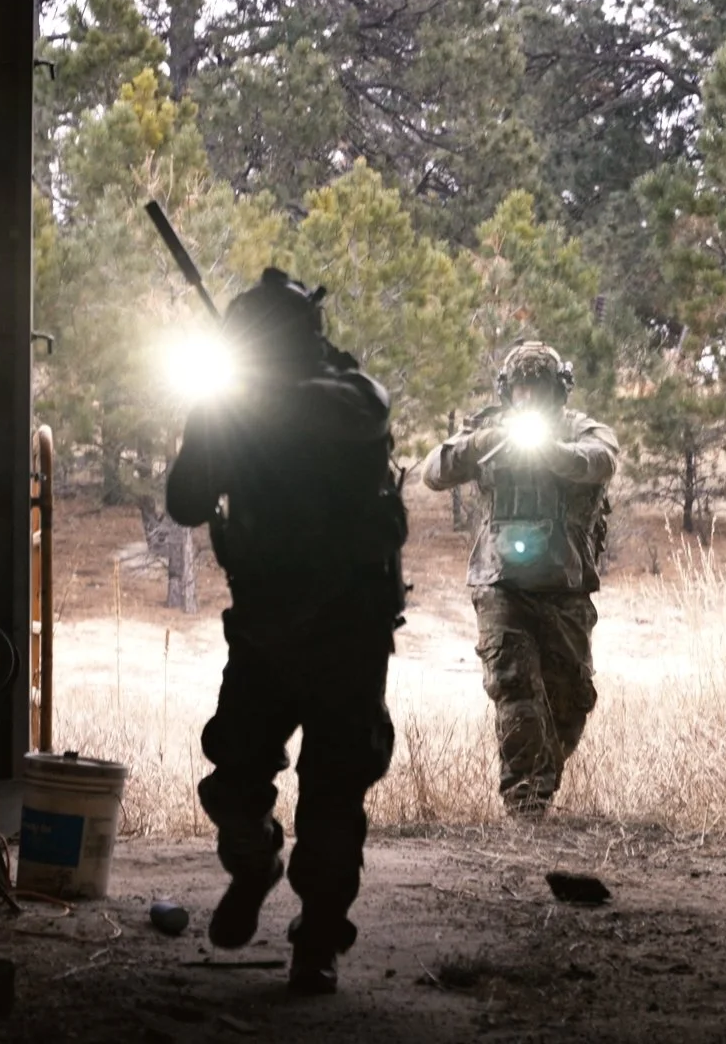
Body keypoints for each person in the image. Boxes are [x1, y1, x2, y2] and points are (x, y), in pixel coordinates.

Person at [165, 267, 408, 996]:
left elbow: (351, 413)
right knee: (236, 776)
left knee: (333, 790)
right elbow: (184, 502)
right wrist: (211, 416)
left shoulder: (349, 392)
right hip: (272, 628)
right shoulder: (240, 403)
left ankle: (317, 943)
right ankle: (255, 862)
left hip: (343, 627)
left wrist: (244, 403)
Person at [420, 341, 619, 819]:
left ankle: (540, 776)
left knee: (570, 700)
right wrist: (484, 443)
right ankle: (526, 800)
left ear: (557, 390)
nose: (529, 397)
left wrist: (555, 454)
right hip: (500, 583)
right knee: (514, 686)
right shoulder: (489, 430)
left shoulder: (580, 430)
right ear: (509, 391)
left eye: (539, 387)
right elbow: (433, 472)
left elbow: (603, 460)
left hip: (564, 586)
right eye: (522, 387)